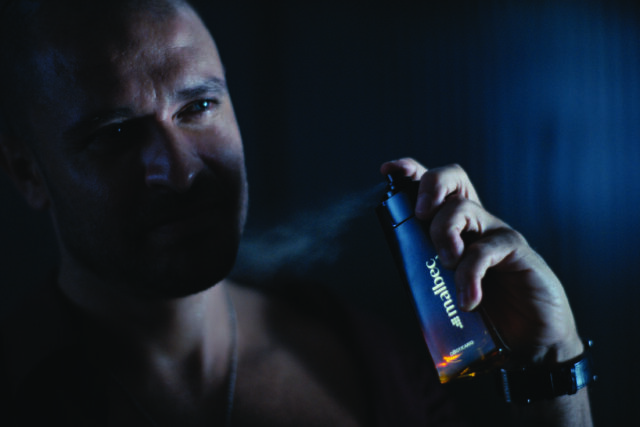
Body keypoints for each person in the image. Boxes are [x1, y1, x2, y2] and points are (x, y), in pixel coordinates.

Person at [0, 0, 593, 425]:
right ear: (28, 173)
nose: (180, 172)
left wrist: (549, 361)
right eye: (115, 134)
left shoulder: (360, 352)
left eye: (199, 106)